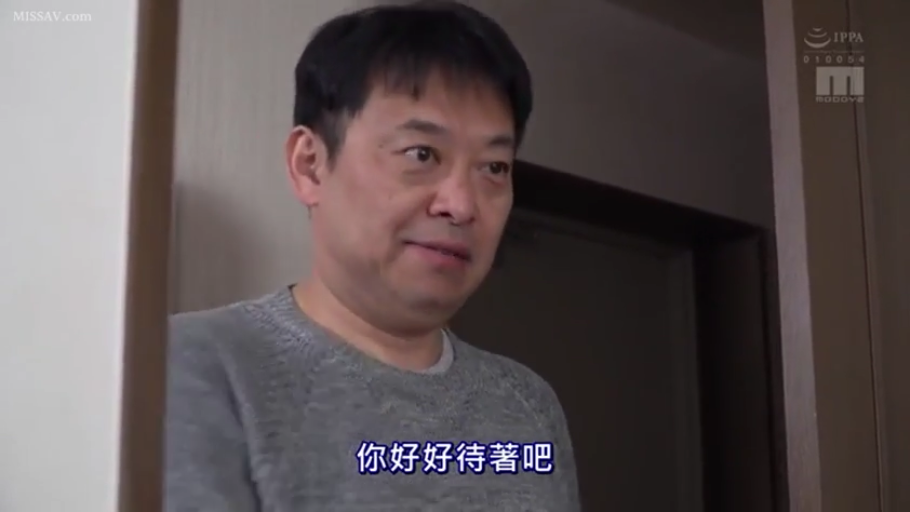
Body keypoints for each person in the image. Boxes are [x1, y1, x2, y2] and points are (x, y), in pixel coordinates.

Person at [164, 1, 581, 510]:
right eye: (422, 154)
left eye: (494, 167)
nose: (462, 205)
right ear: (310, 166)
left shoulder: (528, 405)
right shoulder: (196, 366)